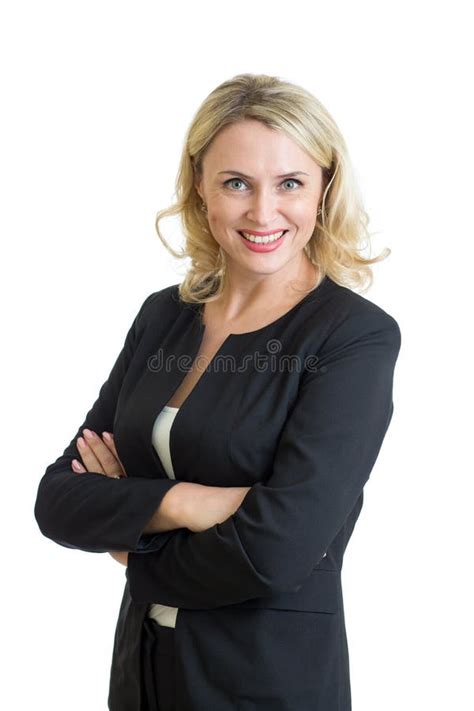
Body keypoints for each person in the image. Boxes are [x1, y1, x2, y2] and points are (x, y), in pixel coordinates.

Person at [34, 73, 402, 711]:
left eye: (290, 183)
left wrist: (128, 541)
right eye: (237, 183)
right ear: (201, 189)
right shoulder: (164, 317)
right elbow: (59, 498)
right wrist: (183, 502)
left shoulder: (352, 337)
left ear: (323, 191)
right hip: (143, 672)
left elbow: (277, 550)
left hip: (268, 683)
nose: (264, 212)